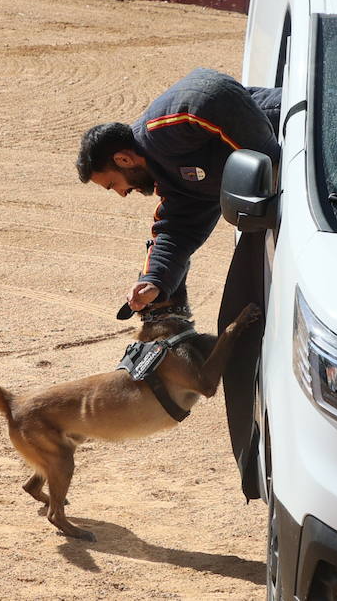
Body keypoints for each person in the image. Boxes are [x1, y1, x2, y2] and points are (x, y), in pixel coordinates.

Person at [76, 67, 280, 494]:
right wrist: (154, 280)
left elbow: (209, 88)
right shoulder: (173, 186)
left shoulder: (161, 129)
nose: (120, 193)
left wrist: (268, 163)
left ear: (125, 158)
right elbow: (175, 232)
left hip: (298, 129)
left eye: (113, 183)